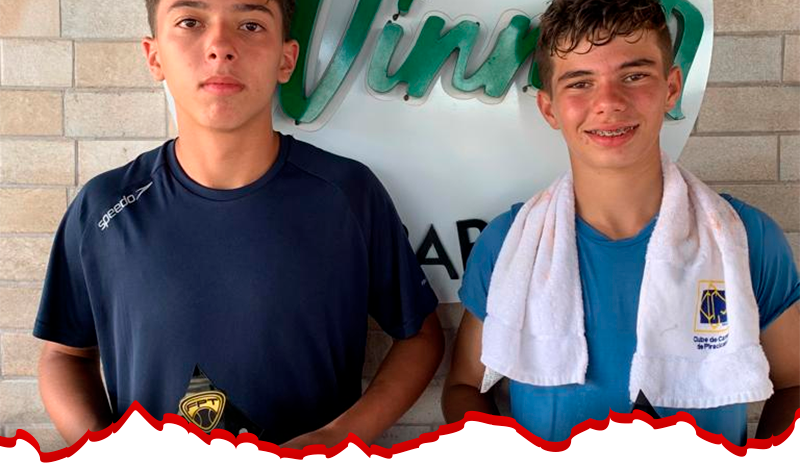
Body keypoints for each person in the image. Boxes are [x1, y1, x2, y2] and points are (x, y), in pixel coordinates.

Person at [34, 0, 443, 448]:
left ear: (286, 59)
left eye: (250, 25)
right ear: (154, 56)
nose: (220, 46)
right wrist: (104, 452)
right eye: (190, 22)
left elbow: (420, 336)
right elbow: (64, 355)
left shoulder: (347, 194)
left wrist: (334, 439)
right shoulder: (104, 208)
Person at [442, 0, 800, 446]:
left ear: (671, 88)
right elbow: (464, 386)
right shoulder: (508, 244)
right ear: (549, 108)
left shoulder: (745, 238)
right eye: (580, 83)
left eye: (634, 76)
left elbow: (793, 383)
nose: (609, 102)